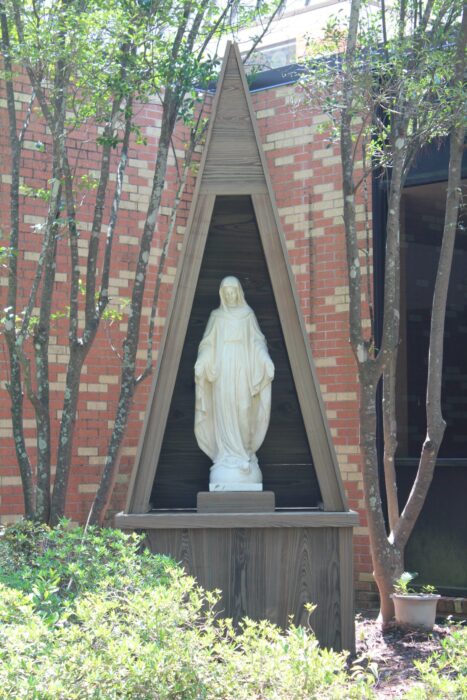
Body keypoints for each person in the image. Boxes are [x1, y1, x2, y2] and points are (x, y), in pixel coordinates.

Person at [194, 276, 274, 488]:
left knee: (244, 409)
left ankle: (245, 453)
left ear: (238, 292)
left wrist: (265, 360)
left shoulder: (248, 316)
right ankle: (226, 456)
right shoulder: (216, 316)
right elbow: (207, 345)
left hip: (244, 368)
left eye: (233, 291)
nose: (230, 295)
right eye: (226, 292)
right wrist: (202, 362)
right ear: (222, 294)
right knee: (225, 410)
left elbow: (258, 342)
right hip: (223, 370)